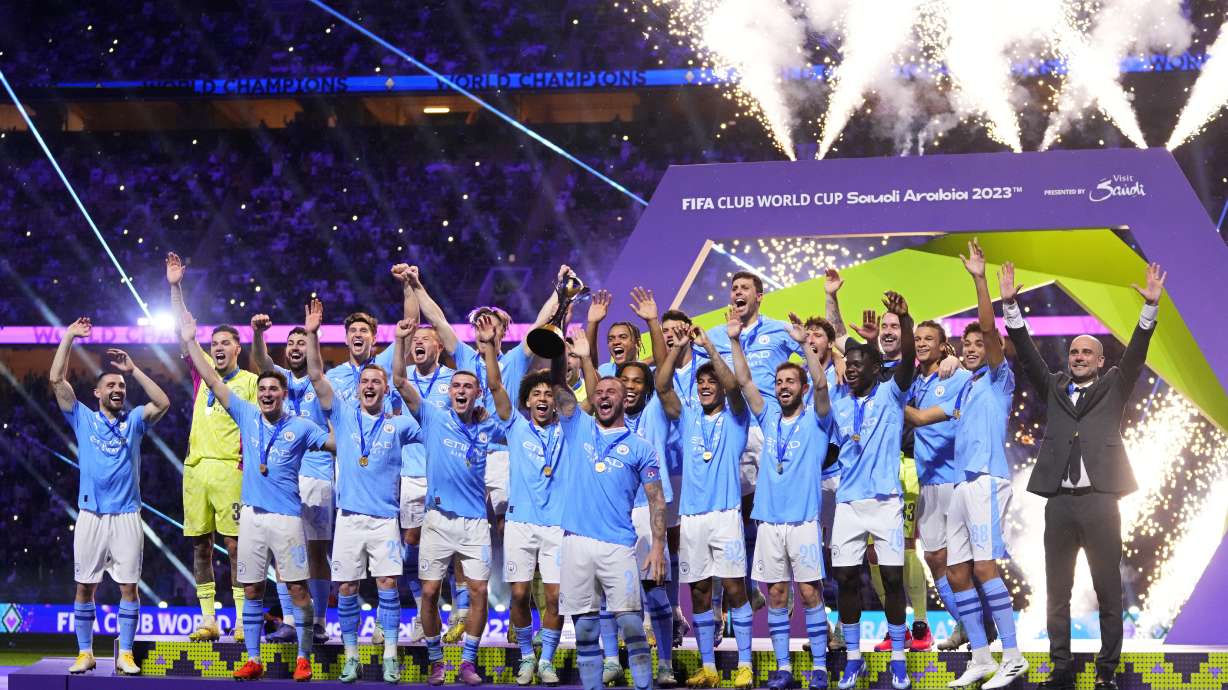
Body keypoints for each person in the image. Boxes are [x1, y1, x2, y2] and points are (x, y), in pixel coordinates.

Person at [1003, 260, 1164, 690]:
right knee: (1057, 591)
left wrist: (1149, 311)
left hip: (1100, 501)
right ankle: (1061, 670)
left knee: (1109, 590)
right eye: (1073, 352)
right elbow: (1029, 353)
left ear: (1099, 359)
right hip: (1058, 503)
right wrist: (1009, 306)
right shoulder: (1053, 386)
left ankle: (1106, 672)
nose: (1077, 357)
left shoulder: (1114, 383)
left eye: (1086, 352)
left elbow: (1135, 356)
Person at [181, 311, 333, 682]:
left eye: (273, 390)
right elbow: (214, 381)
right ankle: (253, 658)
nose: (266, 394)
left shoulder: (301, 426)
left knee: (296, 586)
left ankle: (304, 657)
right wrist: (189, 341)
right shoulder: (246, 415)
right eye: (263, 389)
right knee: (251, 588)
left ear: (284, 394)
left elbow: (335, 443)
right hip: (250, 516)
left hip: (286, 518)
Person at [905, 239, 1027, 688]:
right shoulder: (965, 385)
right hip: (959, 485)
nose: (973, 347)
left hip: (987, 481)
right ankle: (980, 656)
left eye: (980, 343)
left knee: (983, 568)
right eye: (967, 343)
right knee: (955, 570)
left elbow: (992, 333)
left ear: (993, 348)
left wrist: (979, 279)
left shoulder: (998, 379)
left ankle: (1011, 656)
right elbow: (920, 412)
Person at [304, 298, 421, 684]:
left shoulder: (400, 424)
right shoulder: (341, 413)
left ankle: (389, 655)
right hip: (350, 518)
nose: (370, 385)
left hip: (385, 519)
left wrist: (402, 346)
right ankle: (351, 656)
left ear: (386, 390)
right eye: (365, 382)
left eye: (377, 382)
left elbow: (415, 401)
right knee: (348, 587)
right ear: (357, 391)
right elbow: (318, 377)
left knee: (389, 584)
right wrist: (312, 333)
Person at [52, 320, 170, 675]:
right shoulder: (82, 419)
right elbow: (57, 381)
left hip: (127, 515)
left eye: (121, 385)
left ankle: (126, 653)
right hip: (90, 514)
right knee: (84, 587)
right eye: (111, 385)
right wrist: (69, 337)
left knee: (129, 588)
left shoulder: (134, 420)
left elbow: (162, 401)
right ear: (97, 393)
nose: (118, 388)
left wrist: (133, 369)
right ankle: (85, 652)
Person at [392, 317, 499, 686]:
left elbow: (504, 400)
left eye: (468, 385)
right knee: (429, 591)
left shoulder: (489, 426)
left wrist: (488, 350)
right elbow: (401, 383)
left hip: (474, 523)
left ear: (476, 393)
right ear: (449, 392)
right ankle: (437, 660)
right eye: (456, 385)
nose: (460, 390)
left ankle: (467, 662)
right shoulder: (433, 417)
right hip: (436, 519)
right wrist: (401, 343)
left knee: (479, 590)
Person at [553, 346, 668, 690]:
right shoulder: (578, 426)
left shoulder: (640, 447)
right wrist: (559, 349)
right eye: (599, 392)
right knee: (586, 629)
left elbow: (656, 500)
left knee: (632, 625)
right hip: (576, 541)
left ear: (624, 399)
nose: (604, 396)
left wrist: (658, 548)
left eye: (611, 392)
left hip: (619, 546)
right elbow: (559, 389)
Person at [167, 251, 258, 643]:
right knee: (200, 547)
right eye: (214, 343)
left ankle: (240, 620)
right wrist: (175, 287)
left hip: (230, 469)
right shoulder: (201, 374)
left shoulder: (251, 383)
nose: (218, 348)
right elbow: (183, 330)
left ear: (238, 348)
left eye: (226, 343)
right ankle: (208, 619)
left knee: (236, 547)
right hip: (196, 470)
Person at [657, 321, 754, 690]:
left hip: (726, 513)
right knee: (697, 590)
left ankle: (744, 665)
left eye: (711, 382)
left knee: (733, 587)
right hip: (692, 516)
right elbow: (663, 386)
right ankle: (709, 668)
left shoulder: (735, 418)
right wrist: (677, 349)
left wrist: (710, 348)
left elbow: (734, 386)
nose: (706, 386)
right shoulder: (687, 417)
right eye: (701, 382)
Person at [826, 291, 916, 690]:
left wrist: (905, 320)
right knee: (845, 578)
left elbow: (910, 361)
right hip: (848, 502)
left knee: (893, 580)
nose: (852, 369)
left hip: (886, 502)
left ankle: (898, 659)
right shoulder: (840, 403)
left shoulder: (891, 394)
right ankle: (853, 658)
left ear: (877, 367)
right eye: (849, 363)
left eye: (860, 364)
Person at [741, 311, 835, 690]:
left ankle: (819, 667)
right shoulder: (767, 420)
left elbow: (823, 385)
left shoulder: (816, 418)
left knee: (810, 592)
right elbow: (746, 381)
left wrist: (803, 347)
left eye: (790, 381)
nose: (783, 386)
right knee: (776, 593)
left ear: (801, 387)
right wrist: (733, 341)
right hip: (768, 520)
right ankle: (783, 668)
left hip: (802, 520)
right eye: (779, 381)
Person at [479, 313, 571, 687]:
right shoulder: (514, 426)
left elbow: (563, 382)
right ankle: (526, 658)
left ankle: (546, 660)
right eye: (537, 394)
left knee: (555, 597)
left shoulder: (568, 426)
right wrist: (487, 347)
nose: (544, 398)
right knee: (518, 595)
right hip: (520, 524)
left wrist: (561, 351)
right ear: (527, 401)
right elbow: (496, 385)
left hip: (557, 525)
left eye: (548, 394)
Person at [250, 313, 333, 645]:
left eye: (302, 342)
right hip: (284, 478)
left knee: (316, 552)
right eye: (292, 342)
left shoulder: (318, 380)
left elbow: (315, 365)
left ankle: (319, 623)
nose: (296, 347)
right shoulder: (279, 381)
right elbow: (259, 360)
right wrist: (258, 333)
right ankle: (288, 620)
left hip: (319, 473)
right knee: (285, 553)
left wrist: (311, 335)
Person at [905, 320, 973, 651]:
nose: (920, 343)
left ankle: (980, 630)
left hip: (956, 479)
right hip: (928, 480)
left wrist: (882, 396)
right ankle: (967, 625)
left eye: (928, 339)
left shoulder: (956, 376)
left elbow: (917, 418)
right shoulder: (915, 382)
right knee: (934, 559)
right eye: (917, 338)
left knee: (962, 562)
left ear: (942, 344)